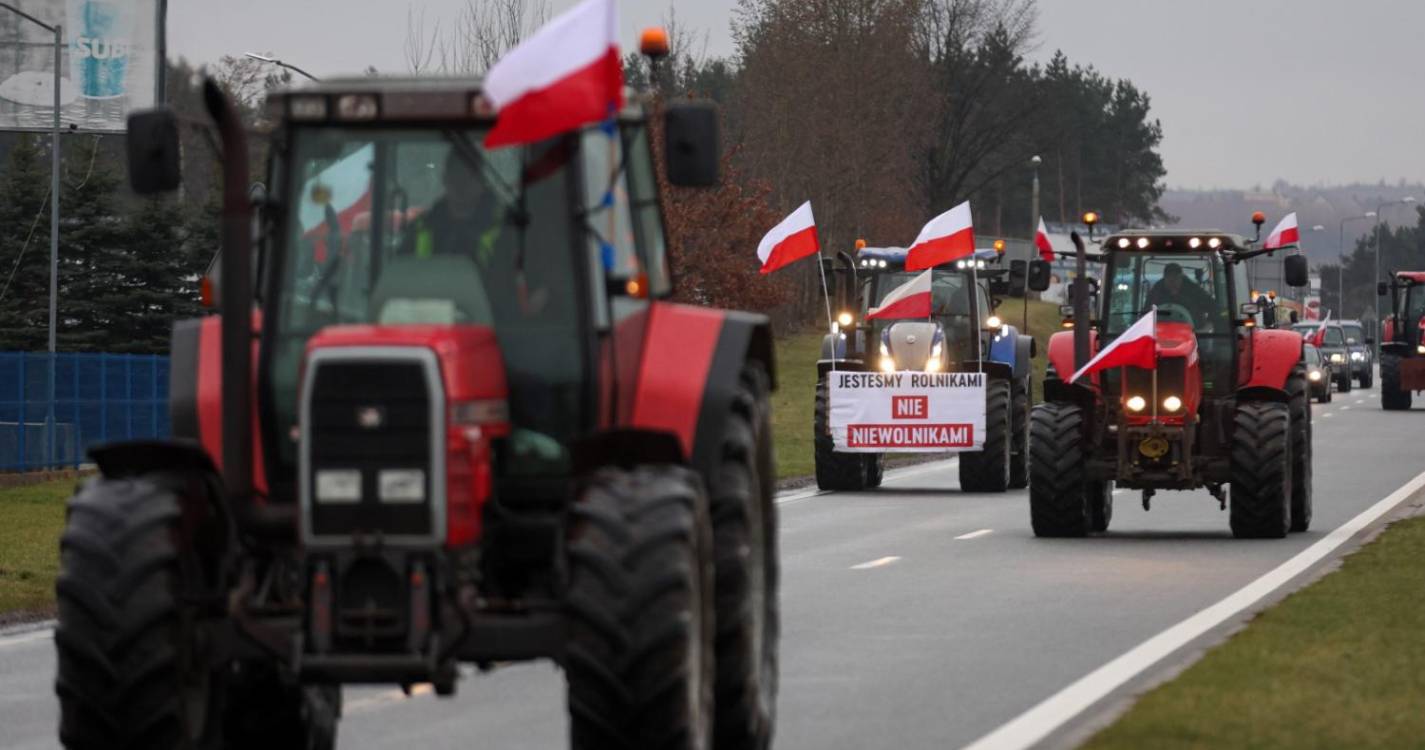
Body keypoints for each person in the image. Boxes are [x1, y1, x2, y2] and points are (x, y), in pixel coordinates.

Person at [398, 149, 504, 264]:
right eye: (455, 175)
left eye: (469, 177)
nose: (461, 185)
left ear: (482, 181)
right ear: (445, 179)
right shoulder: (420, 228)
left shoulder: (507, 229)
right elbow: (400, 275)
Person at [1146, 262, 1217, 327]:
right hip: (1160, 330)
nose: (1173, 282)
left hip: (1195, 332)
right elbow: (1145, 311)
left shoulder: (1194, 290)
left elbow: (1213, 306)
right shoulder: (1156, 291)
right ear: (1164, 278)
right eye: (1170, 279)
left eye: (1176, 278)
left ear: (1181, 278)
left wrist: (1208, 324)